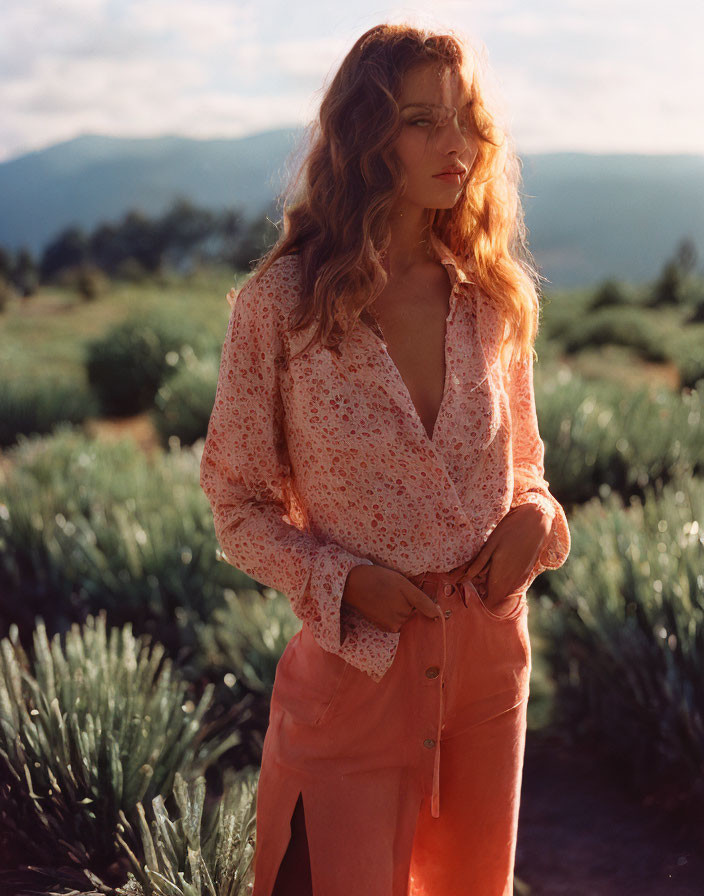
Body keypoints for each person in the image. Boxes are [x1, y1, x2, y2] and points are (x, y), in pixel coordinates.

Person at [199, 21, 571, 896]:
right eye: (420, 121)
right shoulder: (279, 307)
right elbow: (237, 504)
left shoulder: (492, 300)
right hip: (352, 683)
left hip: (486, 677)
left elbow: (529, 473)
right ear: (367, 138)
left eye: (466, 119)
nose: (457, 146)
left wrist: (537, 520)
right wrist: (342, 582)